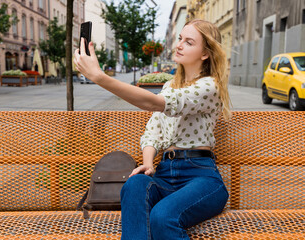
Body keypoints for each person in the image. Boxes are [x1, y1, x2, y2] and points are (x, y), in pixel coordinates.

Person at [74, 19, 232, 240]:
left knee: (162, 216)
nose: (179, 45)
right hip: (165, 173)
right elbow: (153, 131)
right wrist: (148, 163)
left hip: (201, 177)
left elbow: (154, 103)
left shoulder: (209, 86)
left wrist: (100, 78)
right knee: (136, 183)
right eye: (180, 39)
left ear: (205, 53)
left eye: (188, 42)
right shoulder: (169, 87)